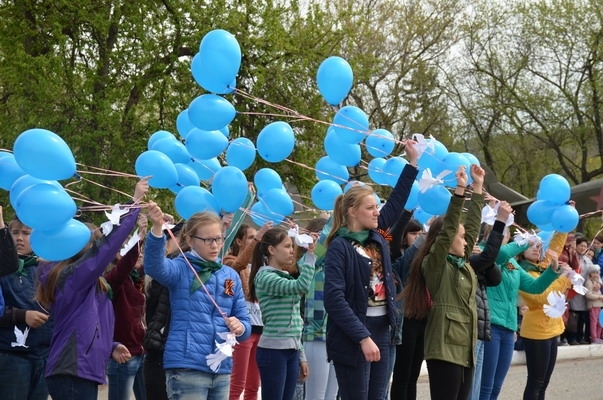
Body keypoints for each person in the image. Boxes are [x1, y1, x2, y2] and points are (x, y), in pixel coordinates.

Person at [36, 178, 149, 400]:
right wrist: (134, 203)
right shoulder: (72, 278)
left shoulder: (90, 284)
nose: (98, 251)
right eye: (92, 242)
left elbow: (87, 325)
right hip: (71, 372)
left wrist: (110, 346)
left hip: (80, 372)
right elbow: (106, 247)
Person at [323, 140, 418, 400]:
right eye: (370, 207)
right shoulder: (339, 247)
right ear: (353, 212)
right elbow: (334, 298)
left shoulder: (376, 235)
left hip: (382, 329)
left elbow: (397, 203)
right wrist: (362, 337)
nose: (377, 212)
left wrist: (412, 164)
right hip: (354, 333)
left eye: (377, 207)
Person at [144, 204, 250, 400]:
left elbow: (244, 320)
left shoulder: (230, 275)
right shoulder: (180, 268)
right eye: (207, 239)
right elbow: (153, 266)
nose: (215, 245)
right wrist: (157, 228)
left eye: (218, 239)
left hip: (221, 369)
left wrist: (241, 327)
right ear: (190, 240)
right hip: (187, 367)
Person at [414, 165, 483, 400]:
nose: (466, 242)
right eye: (460, 238)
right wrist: (460, 190)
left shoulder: (461, 263)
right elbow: (450, 229)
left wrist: (479, 188)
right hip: (444, 349)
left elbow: (472, 228)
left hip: (465, 347)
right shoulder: (435, 263)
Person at [478, 228, 568, 400]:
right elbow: (500, 254)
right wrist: (526, 242)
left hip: (508, 326)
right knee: (486, 385)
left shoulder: (513, 262)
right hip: (491, 325)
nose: (503, 237)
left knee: (496, 386)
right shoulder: (484, 253)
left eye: (506, 233)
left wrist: (553, 270)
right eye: (498, 232)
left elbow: (535, 287)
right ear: (487, 235)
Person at [248, 226, 316, 400]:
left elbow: (295, 323)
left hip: (291, 350)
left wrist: (301, 355)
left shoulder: (284, 275)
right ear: (271, 249)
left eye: (292, 246)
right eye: (287, 246)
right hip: (273, 351)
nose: (292, 251)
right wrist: (310, 255)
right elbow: (301, 287)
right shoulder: (266, 277)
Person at [0, 208, 53, 400]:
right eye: (14, 233)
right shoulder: (3, 268)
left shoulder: (45, 268)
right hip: (11, 356)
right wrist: (23, 316)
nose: (20, 238)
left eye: (26, 233)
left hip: (43, 356)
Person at [518, 225, 575, 400]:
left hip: (552, 330)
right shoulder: (522, 271)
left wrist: (564, 223)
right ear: (520, 250)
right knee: (536, 382)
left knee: (544, 383)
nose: (536, 248)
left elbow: (555, 248)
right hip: (536, 332)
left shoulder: (541, 266)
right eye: (531, 245)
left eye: (538, 245)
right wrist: (565, 278)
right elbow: (542, 296)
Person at [224, 222, 271, 400]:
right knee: (237, 383)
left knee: (254, 386)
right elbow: (237, 266)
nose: (257, 241)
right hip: (244, 330)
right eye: (251, 237)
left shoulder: (262, 265)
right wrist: (258, 238)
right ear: (238, 241)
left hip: (261, 329)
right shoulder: (229, 262)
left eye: (257, 238)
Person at [105, 213, 149, 400]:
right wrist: (139, 236)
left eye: (140, 250)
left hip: (141, 352)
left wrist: (158, 232)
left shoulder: (137, 278)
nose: (138, 254)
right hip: (123, 355)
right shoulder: (112, 280)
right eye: (126, 248)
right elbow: (124, 267)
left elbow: (157, 261)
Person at [297, 217, 339, 400]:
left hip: (337, 335)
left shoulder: (337, 264)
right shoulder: (309, 263)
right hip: (317, 335)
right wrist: (337, 215)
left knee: (332, 395)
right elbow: (321, 245)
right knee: (316, 396)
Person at [143, 221, 183, 400]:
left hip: (177, 352)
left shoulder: (198, 270)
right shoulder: (166, 269)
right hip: (160, 349)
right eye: (181, 238)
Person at [584, 264, 603, 343]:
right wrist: (599, 297)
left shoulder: (597, 282)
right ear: (590, 274)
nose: (595, 275)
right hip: (593, 306)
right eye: (593, 273)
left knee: (600, 322)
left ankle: (598, 337)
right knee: (594, 322)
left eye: (597, 273)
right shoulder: (589, 282)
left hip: (599, 305)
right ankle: (594, 338)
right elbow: (588, 294)